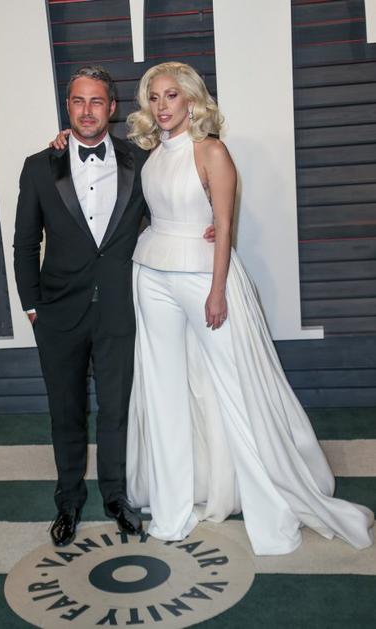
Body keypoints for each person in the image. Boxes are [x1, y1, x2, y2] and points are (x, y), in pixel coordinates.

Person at [124, 62, 374, 555]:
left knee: (236, 390)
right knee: (162, 392)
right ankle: (171, 513)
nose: (162, 105)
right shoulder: (152, 154)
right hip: (150, 273)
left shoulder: (212, 150)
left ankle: (271, 509)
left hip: (203, 278)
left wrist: (218, 290)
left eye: (171, 95)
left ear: (190, 99)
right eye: (154, 97)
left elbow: (224, 226)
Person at [13, 65, 148, 546]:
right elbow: (25, 243)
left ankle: (116, 498)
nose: (87, 111)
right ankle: (68, 502)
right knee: (65, 412)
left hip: (118, 309)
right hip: (57, 313)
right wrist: (32, 307)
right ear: (67, 106)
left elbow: (168, 210)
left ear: (111, 107)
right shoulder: (39, 165)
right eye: (78, 101)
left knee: (116, 411)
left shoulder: (141, 161)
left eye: (96, 101)